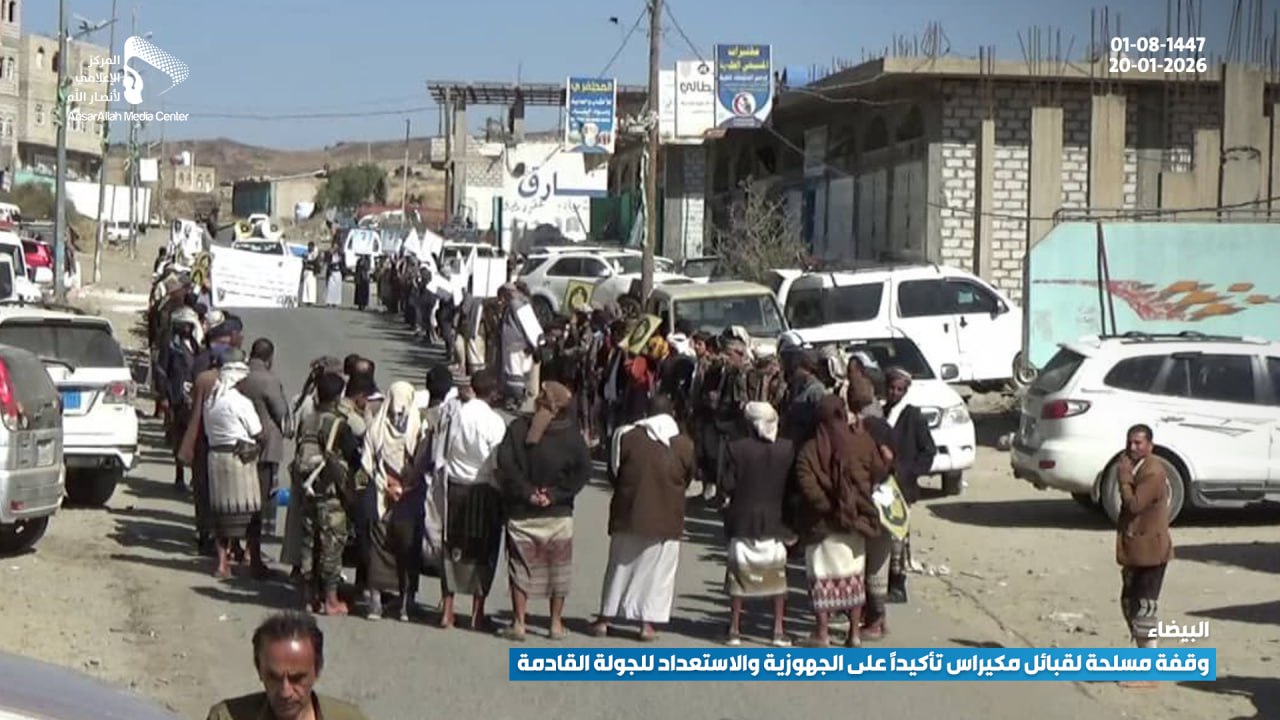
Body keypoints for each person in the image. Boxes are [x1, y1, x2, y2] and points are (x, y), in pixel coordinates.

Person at [591, 396, 694, 642]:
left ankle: (605, 618)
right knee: (658, 574)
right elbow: (688, 478)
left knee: (619, 567)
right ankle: (647, 625)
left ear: (647, 413)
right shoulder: (684, 444)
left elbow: (614, 472)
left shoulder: (625, 436)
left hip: (629, 512)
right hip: (667, 517)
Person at [494, 382, 591, 641]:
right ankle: (555, 624)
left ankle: (519, 622)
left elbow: (505, 462)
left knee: (520, 567)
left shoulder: (518, 428)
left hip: (522, 511)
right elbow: (584, 470)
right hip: (557, 513)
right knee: (558, 570)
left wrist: (527, 492)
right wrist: (555, 494)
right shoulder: (571, 436)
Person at [794, 395, 889, 648]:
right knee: (853, 578)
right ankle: (854, 634)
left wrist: (832, 510)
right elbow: (879, 471)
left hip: (822, 527)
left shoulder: (810, 450)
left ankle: (822, 633)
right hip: (856, 523)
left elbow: (808, 488)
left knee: (821, 578)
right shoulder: (862, 442)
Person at [720, 401, 795, 647]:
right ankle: (778, 631)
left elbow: (727, 485)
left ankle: (734, 630)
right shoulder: (786, 449)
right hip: (775, 522)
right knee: (777, 580)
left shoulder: (736, 448)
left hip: (743, 521)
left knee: (739, 578)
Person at [438, 370, 508, 631]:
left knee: (452, 547)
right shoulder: (494, 422)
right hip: (483, 489)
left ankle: (447, 611)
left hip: (455, 486)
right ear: (493, 393)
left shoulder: (455, 415)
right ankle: (477, 614)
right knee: (483, 551)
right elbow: (497, 461)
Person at [205, 611, 369, 720]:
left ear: (317, 669)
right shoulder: (226, 717)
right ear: (259, 669)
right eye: (274, 677)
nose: (285, 692)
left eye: (297, 678)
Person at [294, 372, 359, 615]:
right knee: (332, 545)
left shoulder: (308, 420)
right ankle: (331, 600)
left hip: (307, 491)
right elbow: (354, 458)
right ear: (338, 397)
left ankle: (308, 598)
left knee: (309, 544)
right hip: (330, 495)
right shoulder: (338, 424)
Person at [1115, 423, 1173, 690]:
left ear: (1150, 445)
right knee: (1129, 603)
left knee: (1144, 610)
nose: (1132, 447)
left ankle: (1150, 673)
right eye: (1130, 442)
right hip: (1136, 551)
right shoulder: (1138, 467)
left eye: (1138, 443)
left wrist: (1124, 478)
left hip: (1151, 552)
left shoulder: (1153, 471)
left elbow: (1135, 504)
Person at [360, 381, 423, 621]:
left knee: (384, 548)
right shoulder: (417, 427)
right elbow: (422, 462)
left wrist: (390, 486)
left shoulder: (378, 427)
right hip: (398, 496)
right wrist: (396, 487)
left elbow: (368, 462)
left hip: (392, 494)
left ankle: (386, 603)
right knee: (400, 548)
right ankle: (397, 604)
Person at [202, 348, 265, 579]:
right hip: (240, 460)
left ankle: (222, 564)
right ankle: (254, 563)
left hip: (216, 459)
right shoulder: (240, 402)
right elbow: (257, 432)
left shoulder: (211, 401)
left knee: (221, 514)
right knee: (250, 513)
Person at [883, 365, 937, 603]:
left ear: (905, 391)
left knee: (898, 539)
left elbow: (928, 451)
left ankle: (898, 585)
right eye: (891, 388)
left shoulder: (913, 416)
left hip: (903, 488)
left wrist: (909, 471)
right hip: (882, 487)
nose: (894, 393)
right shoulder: (883, 412)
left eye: (899, 389)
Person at [237, 338, 291, 545]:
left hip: (241, 439)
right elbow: (280, 412)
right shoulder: (269, 380)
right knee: (264, 489)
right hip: (266, 443)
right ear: (269, 358)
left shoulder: (240, 375)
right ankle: (258, 538)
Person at [165, 307, 201, 493]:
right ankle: (179, 477)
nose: (187, 328)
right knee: (179, 438)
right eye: (184, 325)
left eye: (189, 325)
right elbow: (162, 371)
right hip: (177, 398)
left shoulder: (194, 344)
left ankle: (195, 477)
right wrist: (165, 397)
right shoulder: (171, 346)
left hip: (193, 398)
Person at [498, 284, 538, 409]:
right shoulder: (519, 304)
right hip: (517, 344)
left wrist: (535, 344)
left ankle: (515, 398)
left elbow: (529, 326)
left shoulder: (516, 305)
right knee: (517, 373)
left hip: (515, 345)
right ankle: (516, 397)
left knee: (514, 373)